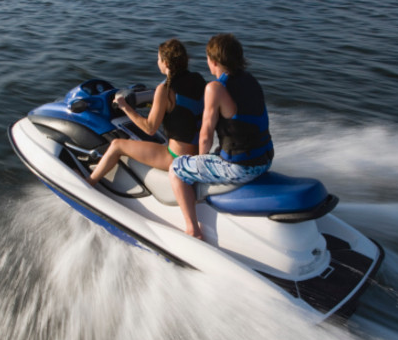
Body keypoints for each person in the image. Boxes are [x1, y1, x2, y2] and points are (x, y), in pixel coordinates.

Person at [169, 34, 274, 239]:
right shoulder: (251, 81)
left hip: (241, 168)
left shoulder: (215, 88)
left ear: (213, 61)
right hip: (266, 159)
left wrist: (197, 162)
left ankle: (193, 229)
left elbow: (206, 135)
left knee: (177, 169)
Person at [87, 39, 206, 186]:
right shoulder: (199, 80)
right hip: (198, 155)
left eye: (158, 59)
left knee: (117, 145)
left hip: (176, 157)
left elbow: (150, 128)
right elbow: (184, 107)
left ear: (166, 63)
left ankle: (89, 182)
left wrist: (125, 107)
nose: (157, 62)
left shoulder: (165, 89)